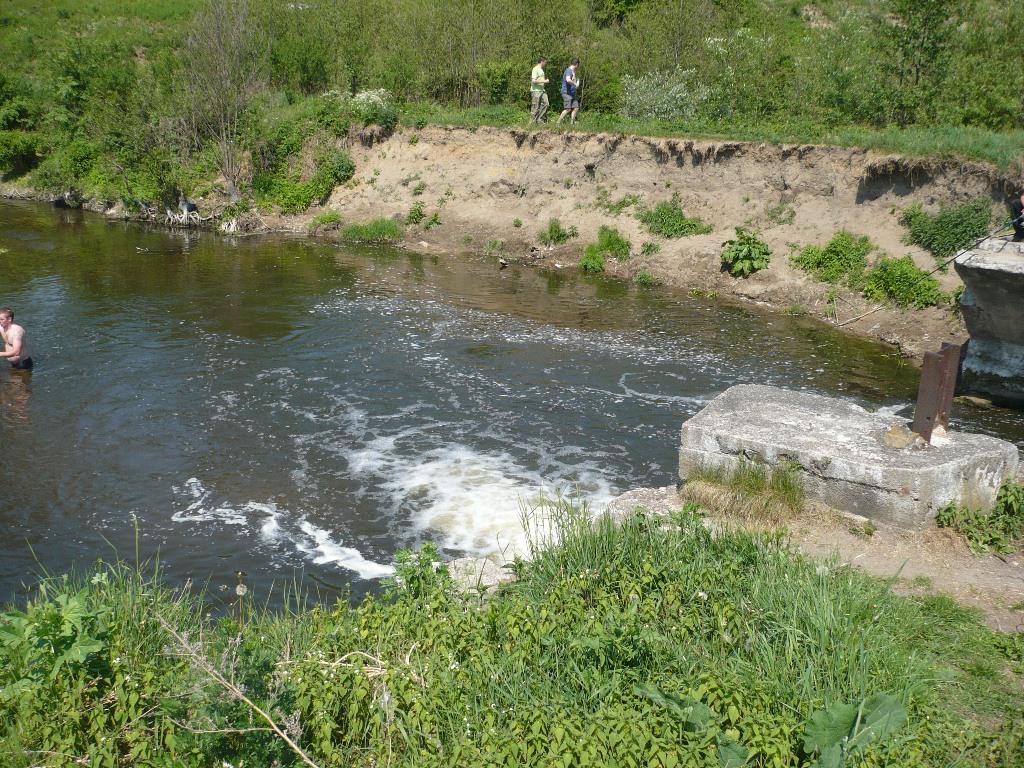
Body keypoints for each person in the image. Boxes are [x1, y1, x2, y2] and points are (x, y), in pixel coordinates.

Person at [556, 59, 581, 124]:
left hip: (572, 93)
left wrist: (576, 83)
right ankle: (558, 123)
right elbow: (568, 79)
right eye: (578, 65)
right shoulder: (569, 70)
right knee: (568, 109)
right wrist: (575, 84)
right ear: (577, 64)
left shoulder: (572, 71)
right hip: (566, 93)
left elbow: (571, 80)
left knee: (576, 108)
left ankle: (572, 123)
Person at [530, 57, 549, 124]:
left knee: (546, 104)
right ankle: (532, 123)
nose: (545, 64)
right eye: (545, 62)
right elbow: (533, 81)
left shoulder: (541, 70)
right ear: (542, 61)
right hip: (536, 91)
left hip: (542, 90)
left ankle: (539, 119)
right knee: (535, 107)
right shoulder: (535, 69)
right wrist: (545, 81)